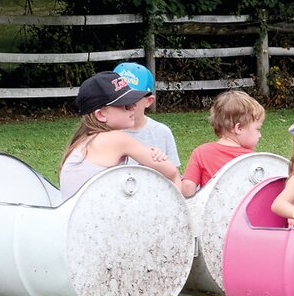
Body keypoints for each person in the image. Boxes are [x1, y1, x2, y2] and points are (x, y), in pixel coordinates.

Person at [59, 70, 183, 198]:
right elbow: (172, 174)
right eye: (126, 105)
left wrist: (146, 163)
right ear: (100, 115)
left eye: (134, 103)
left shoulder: (83, 141)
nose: (133, 108)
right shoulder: (116, 139)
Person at [184, 90, 266, 190]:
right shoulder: (252, 160)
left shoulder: (201, 152)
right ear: (238, 128)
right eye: (258, 129)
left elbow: (188, 188)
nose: (260, 135)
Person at [113, 61, 184, 170]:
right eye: (118, 96)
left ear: (148, 101)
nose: (123, 103)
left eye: (132, 98)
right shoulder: (103, 134)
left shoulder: (161, 132)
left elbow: (173, 178)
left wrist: (160, 164)